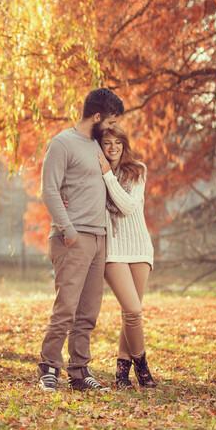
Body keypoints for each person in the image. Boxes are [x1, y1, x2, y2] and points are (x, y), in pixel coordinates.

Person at [38, 88, 124, 392]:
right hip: (72, 238)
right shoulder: (63, 143)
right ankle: (49, 367)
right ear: (97, 116)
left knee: (88, 312)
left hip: (99, 238)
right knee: (66, 309)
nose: (112, 127)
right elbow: (49, 190)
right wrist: (68, 229)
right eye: (110, 120)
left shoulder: (97, 146)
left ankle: (79, 371)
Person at [96, 126, 157, 388]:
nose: (112, 148)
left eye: (117, 143)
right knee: (133, 309)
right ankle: (142, 366)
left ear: (124, 145)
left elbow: (128, 206)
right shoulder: (93, 174)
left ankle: (122, 373)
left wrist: (108, 176)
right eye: (107, 143)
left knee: (129, 314)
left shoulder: (137, 171)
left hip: (140, 247)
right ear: (100, 147)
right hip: (113, 251)